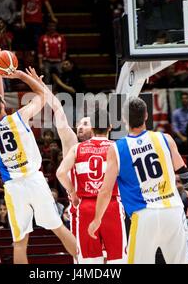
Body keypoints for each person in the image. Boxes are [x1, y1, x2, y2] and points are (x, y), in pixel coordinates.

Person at [0, 54, 76, 264]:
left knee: (20, 242)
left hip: (13, 187)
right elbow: (43, 95)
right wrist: (23, 75)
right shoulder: (19, 118)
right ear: (3, 105)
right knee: (59, 229)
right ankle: (89, 263)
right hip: (34, 179)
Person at [88, 97, 188, 264]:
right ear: (146, 115)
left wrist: (97, 218)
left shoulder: (117, 148)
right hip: (172, 210)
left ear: (124, 119)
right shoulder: (165, 139)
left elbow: (105, 191)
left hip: (143, 216)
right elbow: (185, 174)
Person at [56, 107, 127, 264]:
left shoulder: (77, 148)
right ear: (110, 127)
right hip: (111, 205)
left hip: (86, 207)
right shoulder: (118, 148)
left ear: (93, 128)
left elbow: (60, 173)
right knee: (118, 259)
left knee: (89, 261)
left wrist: (73, 193)